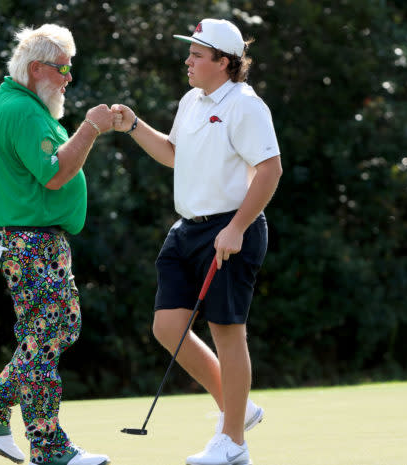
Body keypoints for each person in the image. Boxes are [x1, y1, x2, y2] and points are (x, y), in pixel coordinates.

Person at [112, 18, 282, 465]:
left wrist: (237, 228)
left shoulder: (245, 105)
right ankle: (239, 411)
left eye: (197, 55)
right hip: (186, 229)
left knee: (227, 332)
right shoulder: (192, 100)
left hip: (230, 228)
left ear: (223, 63)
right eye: (189, 53)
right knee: (167, 326)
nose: (187, 60)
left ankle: (233, 443)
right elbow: (173, 152)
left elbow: (269, 171)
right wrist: (133, 126)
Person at [0, 24, 113, 465]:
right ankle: (46, 446)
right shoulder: (23, 111)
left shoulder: (8, 100)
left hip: (27, 238)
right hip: (30, 240)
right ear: (35, 68)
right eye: (62, 69)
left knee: (56, 328)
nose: (68, 77)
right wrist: (91, 128)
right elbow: (54, 173)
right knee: (49, 332)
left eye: (71, 67)